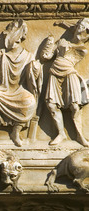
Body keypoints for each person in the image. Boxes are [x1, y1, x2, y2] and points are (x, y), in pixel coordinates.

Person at [0, 19, 42, 147]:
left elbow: (33, 77)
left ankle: (15, 132)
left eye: (8, 35)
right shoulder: (0, 54)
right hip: (0, 90)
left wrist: (36, 68)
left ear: (18, 37)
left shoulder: (28, 56)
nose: (6, 37)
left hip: (19, 91)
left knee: (30, 102)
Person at [44, 18, 89, 146]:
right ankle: (60, 134)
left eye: (84, 28)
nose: (81, 28)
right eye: (79, 25)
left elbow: (73, 54)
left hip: (69, 74)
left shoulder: (82, 49)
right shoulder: (62, 41)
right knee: (52, 105)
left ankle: (80, 136)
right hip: (54, 74)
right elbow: (46, 56)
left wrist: (64, 49)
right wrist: (50, 42)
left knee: (75, 106)